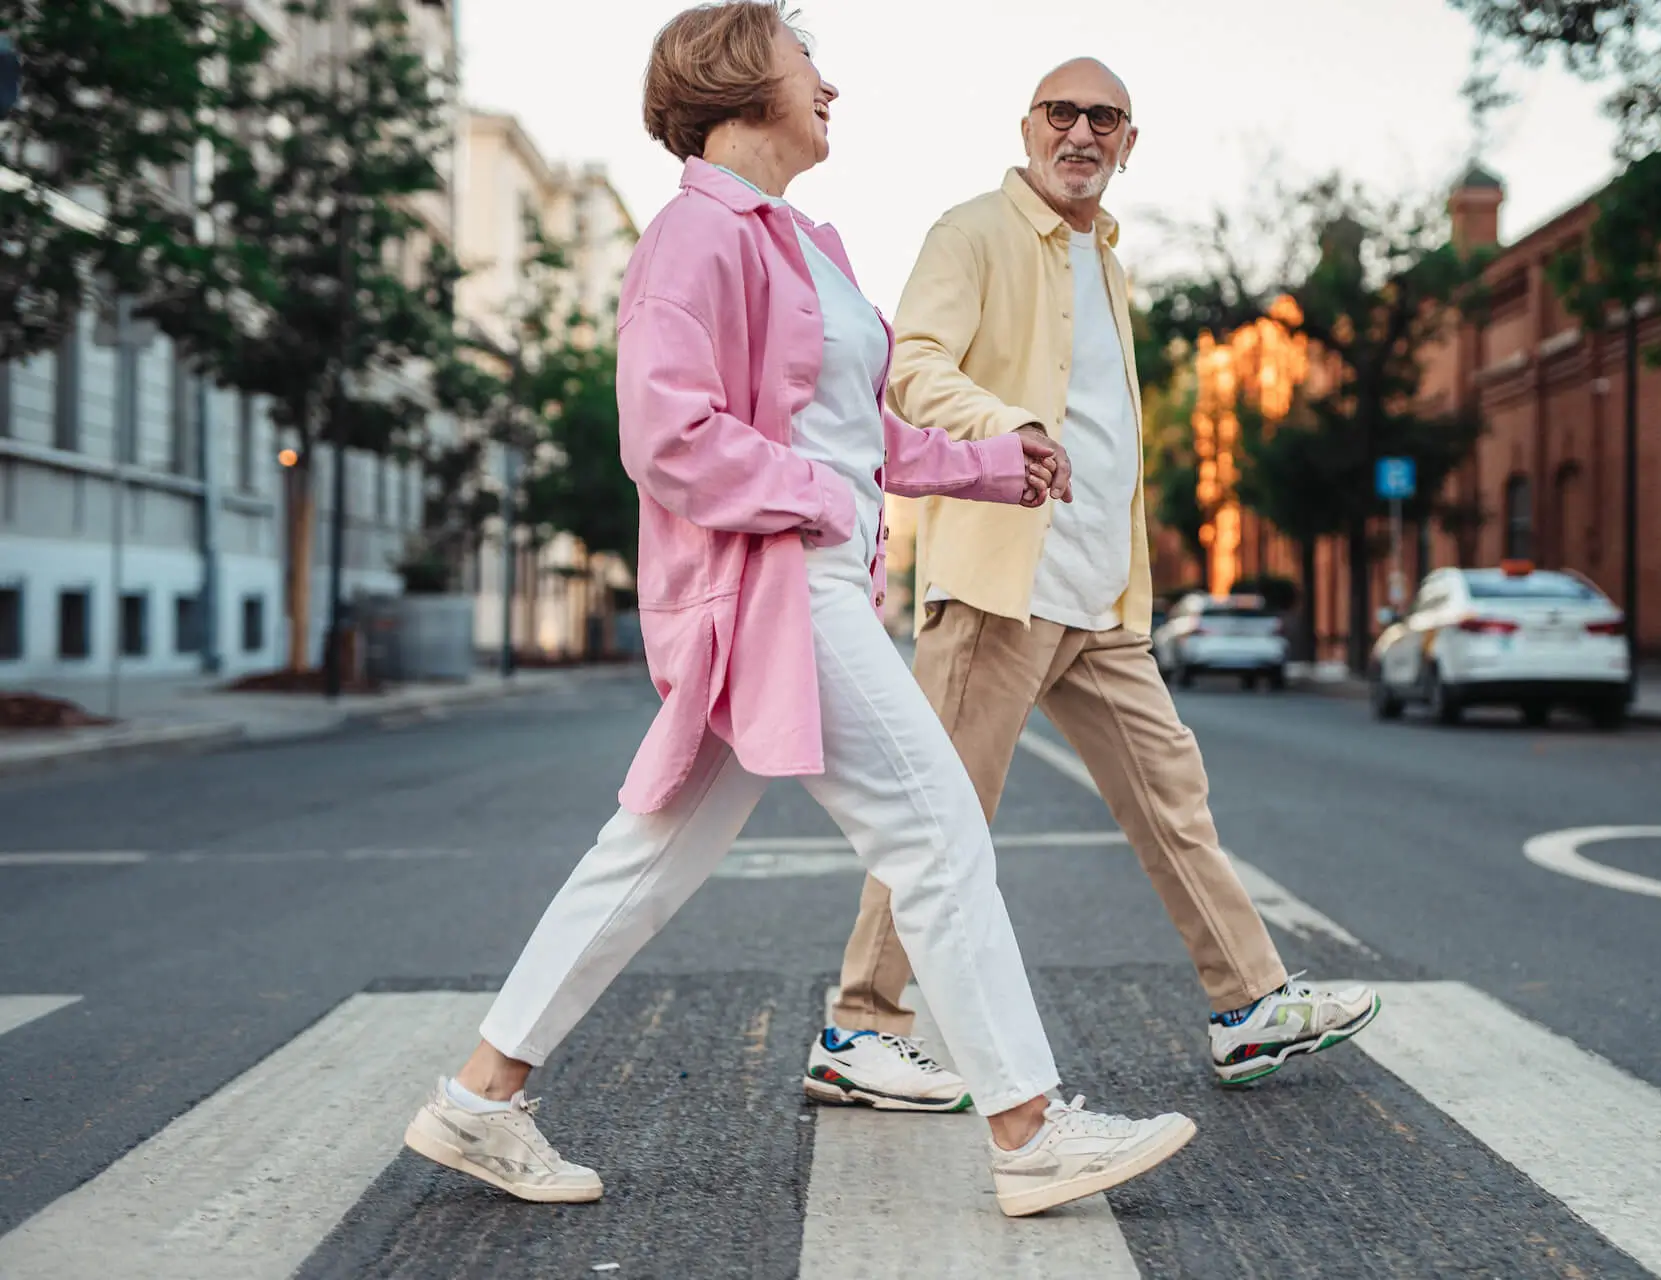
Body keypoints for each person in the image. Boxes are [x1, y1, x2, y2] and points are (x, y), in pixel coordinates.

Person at [399, 1, 1194, 1219]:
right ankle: (1031, 1129)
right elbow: (666, 435)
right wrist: (818, 498)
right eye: (808, 59)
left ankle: (478, 1094)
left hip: (804, 574)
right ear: (738, 81)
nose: (832, 85)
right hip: (777, 583)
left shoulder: (801, 242)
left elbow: (854, 429)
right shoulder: (691, 235)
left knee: (650, 856)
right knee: (938, 836)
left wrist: (992, 462)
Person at [805, 57, 1380, 1111]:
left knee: (1173, 796)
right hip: (1000, 585)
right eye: (1062, 113)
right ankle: (860, 1025)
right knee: (942, 813)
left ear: (1128, 141)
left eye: (1104, 118)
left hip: (1100, 594)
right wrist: (1001, 424)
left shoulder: (1106, 259)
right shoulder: (971, 231)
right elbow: (912, 364)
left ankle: (1249, 1002)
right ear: (1028, 127)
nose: (1081, 132)